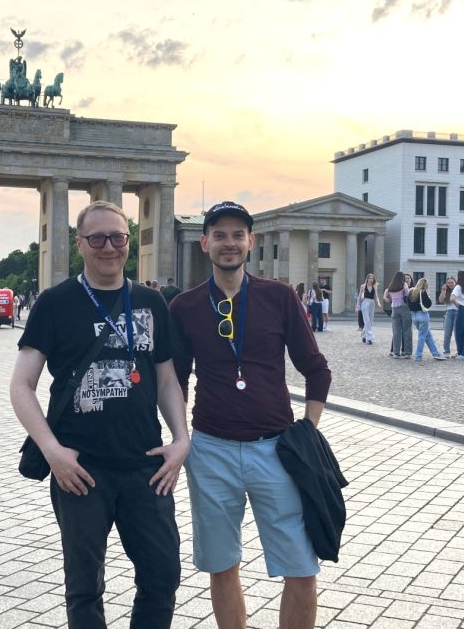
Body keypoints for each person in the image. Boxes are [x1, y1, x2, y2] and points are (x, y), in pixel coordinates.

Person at [10, 200, 188, 629]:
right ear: (80, 244)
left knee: (163, 575)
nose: (109, 247)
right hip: (80, 468)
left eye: (118, 237)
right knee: (85, 588)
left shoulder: (150, 301)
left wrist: (182, 439)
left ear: (129, 241)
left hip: (146, 464)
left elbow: (166, 380)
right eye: (97, 238)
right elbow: (21, 386)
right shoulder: (55, 303)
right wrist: (52, 452)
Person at [168, 201, 331, 629]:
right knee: (222, 564)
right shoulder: (184, 307)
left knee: (300, 565)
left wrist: (307, 431)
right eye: (219, 234)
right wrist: (180, 438)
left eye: (238, 234)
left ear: (250, 242)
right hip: (211, 450)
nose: (229, 243)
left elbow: (316, 369)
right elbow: (176, 380)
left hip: (276, 449)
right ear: (204, 243)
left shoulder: (278, 297)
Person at [408, 278, 446, 361]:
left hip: (414, 316)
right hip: (423, 315)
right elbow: (429, 304)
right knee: (422, 336)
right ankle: (418, 356)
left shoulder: (411, 292)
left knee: (427, 335)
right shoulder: (423, 292)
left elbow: (407, 302)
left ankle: (436, 353)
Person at [383, 272, 411, 358]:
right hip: (404, 308)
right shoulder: (404, 285)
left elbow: (386, 297)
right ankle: (407, 352)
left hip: (394, 309)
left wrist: (391, 300)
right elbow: (407, 294)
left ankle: (396, 352)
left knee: (396, 331)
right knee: (407, 330)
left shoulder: (391, 287)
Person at [439, 276, 457, 357]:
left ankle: (459, 351)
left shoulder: (458, 290)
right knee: (447, 333)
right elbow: (441, 300)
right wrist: (443, 290)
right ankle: (446, 351)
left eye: (452, 282)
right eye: (448, 283)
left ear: (455, 283)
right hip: (449, 312)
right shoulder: (446, 291)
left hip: (458, 312)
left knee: (457, 333)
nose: (450, 284)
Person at [359, 273, 378, 345]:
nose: (371, 279)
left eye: (372, 278)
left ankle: (363, 335)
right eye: (369, 278)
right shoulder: (363, 286)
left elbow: (376, 295)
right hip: (365, 302)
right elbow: (360, 297)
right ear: (367, 279)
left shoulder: (375, 286)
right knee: (367, 321)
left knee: (370, 321)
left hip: (372, 303)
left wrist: (378, 303)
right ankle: (369, 338)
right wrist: (357, 306)